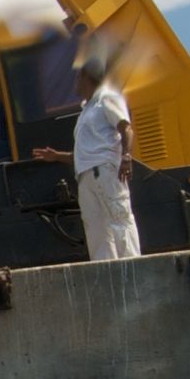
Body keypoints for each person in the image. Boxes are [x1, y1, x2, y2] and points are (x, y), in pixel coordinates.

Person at [41, 40, 140, 264]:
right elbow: (85, 152)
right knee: (96, 231)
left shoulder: (107, 97)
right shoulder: (87, 109)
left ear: (86, 77)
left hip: (104, 170)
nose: (75, 82)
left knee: (119, 219)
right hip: (86, 175)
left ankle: (133, 265)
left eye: (78, 77)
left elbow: (126, 128)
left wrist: (126, 157)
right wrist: (57, 156)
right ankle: (106, 269)